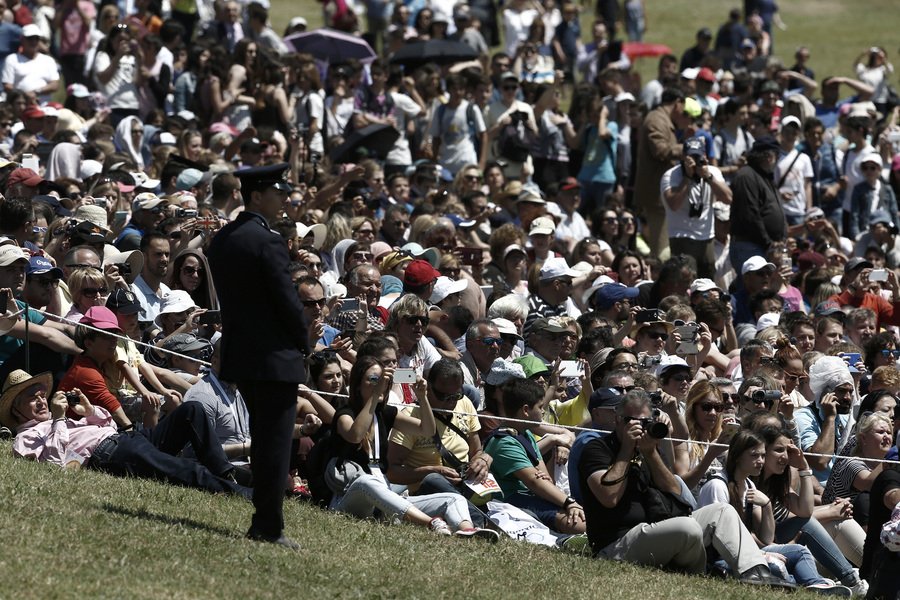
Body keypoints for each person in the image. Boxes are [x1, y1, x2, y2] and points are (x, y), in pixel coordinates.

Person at [577, 390, 792, 588]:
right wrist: (625, 451)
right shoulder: (597, 449)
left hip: (657, 530)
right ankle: (704, 570)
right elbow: (608, 498)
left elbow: (674, 490)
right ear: (617, 420)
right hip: (616, 544)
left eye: (646, 421)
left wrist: (651, 453)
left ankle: (756, 573)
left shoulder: (647, 449)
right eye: (632, 421)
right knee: (687, 527)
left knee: (722, 511)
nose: (640, 427)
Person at [208, 163, 311, 550]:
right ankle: (267, 525)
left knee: (265, 439)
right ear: (256, 196)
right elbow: (286, 300)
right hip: (274, 356)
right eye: (278, 192)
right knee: (275, 443)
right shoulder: (268, 241)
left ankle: (266, 521)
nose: (284, 198)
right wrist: (304, 340)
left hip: (241, 352)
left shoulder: (223, 239)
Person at [1, 369, 249, 498]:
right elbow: (54, 464)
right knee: (181, 469)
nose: (41, 401)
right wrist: (58, 419)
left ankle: (226, 474)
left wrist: (88, 411)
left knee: (191, 409)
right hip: (110, 452)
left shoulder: (62, 420)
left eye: (41, 395)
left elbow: (108, 425)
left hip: (127, 439)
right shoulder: (25, 439)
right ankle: (241, 493)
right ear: (15, 410)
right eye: (32, 399)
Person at [697, 430, 853, 595]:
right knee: (776, 566)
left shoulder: (749, 485)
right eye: (754, 455)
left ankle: (818, 584)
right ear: (737, 456)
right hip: (720, 559)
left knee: (800, 551)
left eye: (763, 456)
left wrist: (766, 505)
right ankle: (802, 581)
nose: (760, 461)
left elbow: (767, 537)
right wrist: (763, 554)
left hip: (747, 554)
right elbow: (718, 538)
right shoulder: (718, 486)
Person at [661, 136, 732, 279]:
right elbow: (673, 204)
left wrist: (708, 177)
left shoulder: (713, 172)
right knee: (684, 280)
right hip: (681, 237)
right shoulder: (671, 175)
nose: (694, 161)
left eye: (698, 156)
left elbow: (728, 198)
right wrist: (687, 177)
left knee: (707, 281)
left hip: (707, 238)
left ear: (704, 156)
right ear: (683, 157)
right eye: (690, 157)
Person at [634, 88, 690, 256]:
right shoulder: (656, 120)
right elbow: (660, 150)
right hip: (657, 197)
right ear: (678, 103)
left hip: (663, 194)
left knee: (665, 249)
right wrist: (687, 148)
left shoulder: (662, 120)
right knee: (660, 250)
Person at [729, 137, 787, 272]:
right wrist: (768, 244)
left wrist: (779, 240)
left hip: (764, 247)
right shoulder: (747, 176)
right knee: (751, 289)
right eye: (777, 156)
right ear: (768, 156)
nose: (778, 160)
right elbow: (750, 215)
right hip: (750, 247)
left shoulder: (764, 176)